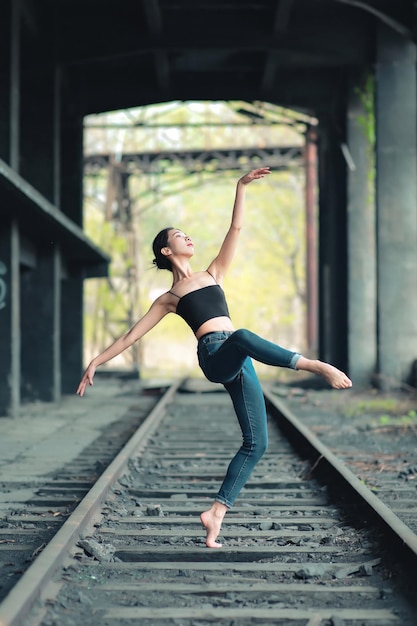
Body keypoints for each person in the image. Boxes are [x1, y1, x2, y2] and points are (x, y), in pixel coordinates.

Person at [77, 167, 352, 548]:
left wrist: (241, 187)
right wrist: (95, 362)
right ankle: (313, 365)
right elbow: (129, 335)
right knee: (240, 335)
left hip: (241, 357)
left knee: (257, 442)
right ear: (166, 250)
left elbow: (234, 230)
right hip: (216, 355)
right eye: (179, 236)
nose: (187, 237)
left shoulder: (213, 273)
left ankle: (216, 514)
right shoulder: (169, 298)